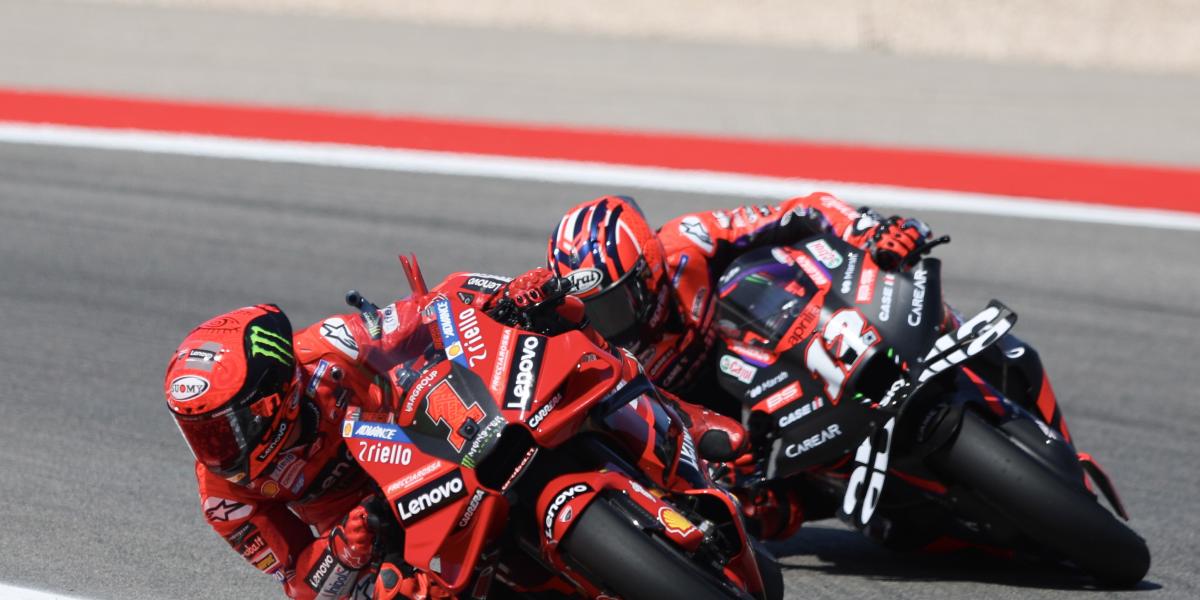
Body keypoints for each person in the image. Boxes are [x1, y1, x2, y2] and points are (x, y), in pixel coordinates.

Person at [165, 271, 748, 598]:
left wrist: (501, 298)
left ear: (276, 394)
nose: (214, 449)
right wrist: (345, 551)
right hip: (384, 529)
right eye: (200, 433)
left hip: (432, 440)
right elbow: (298, 582)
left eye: (222, 428)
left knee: (567, 329)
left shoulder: (330, 347)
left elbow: (428, 311)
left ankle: (681, 419)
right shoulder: (226, 500)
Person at [546, 193, 1072, 539]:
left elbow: (802, 212)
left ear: (650, 270)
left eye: (613, 305)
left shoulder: (689, 240)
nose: (607, 322)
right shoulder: (608, 353)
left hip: (782, 329)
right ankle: (877, 499)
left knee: (762, 272)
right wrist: (711, 469)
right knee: (757, 516)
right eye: (592, 312)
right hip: (734, 420)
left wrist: (870, 234)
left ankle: (941, 332)